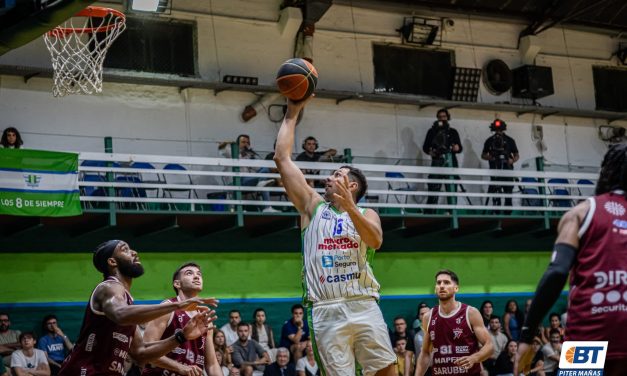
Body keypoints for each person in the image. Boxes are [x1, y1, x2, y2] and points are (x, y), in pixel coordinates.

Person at [273, 96, 396, 376]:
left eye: (336, 174)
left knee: (387, 370)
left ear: (351, 185)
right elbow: (282, 159)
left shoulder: (367, 213)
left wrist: (351, 207)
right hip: (325, 309)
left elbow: (375, 240)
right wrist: (292, 112)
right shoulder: (312, 206)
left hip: (363, 302)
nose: (329, 178)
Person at [514, 143, 627, 376]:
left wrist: (527, 335)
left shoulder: (581, 212)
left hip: (586, 337)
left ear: (606, 171)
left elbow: (557, 272)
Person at [57, 240, 217, 376]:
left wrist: (181, 337)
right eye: (125, 249)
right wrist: (176, 305)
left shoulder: (127, 303)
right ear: (112, 262)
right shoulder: (109, 287)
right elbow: (120, 314)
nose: (133, 252)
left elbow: (140, 352)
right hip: (84, 371)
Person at [142, 262, 222, 376]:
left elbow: (212, 364)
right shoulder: (166, 308)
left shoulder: (205, 317)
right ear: (177, 284)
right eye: (189, 273)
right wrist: (179, 367)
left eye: (199, 274)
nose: (196, 276)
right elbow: (145, 352)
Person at [414, 270, 493, 376]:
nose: (442, 286)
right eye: (439, 283)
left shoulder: (470, 313)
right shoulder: (428, 317)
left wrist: (474, 358)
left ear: (456, 288)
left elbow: (490, 346)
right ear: (435, 289)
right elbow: (425, 352)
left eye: (446, 282)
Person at [219, 134, 279, 213]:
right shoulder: (232, 151)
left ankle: (267, 207)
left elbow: (258, 168)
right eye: (243, 142)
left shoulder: (248, 155)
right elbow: (222, 149)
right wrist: (228, 142)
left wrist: (270, 168)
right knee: (263, 180)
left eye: (247, 142)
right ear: (237, 143)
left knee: (265, 171)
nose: (245, 144)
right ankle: (261, 186)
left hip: (246, 181)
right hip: (235, 181)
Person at [422, 109, 463, 211]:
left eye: (444, 116)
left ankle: (452, 211)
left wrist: (456, 148)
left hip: (451, 160)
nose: (442, 119)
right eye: (440, 117)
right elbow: (425, 147)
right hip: (437, 160)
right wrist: (430, 152)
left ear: (447, 117)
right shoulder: (431, 132)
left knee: (451, 187)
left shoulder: (453, 132)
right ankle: (431, 211)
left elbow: (460, 148)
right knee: (434, 186)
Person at [481, 119, 519, 211]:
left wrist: (512, 160)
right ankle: (496, 212)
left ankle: (508, 213)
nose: (498, 132)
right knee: (496, 194)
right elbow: (483, 155)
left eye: (500, 130)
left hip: (508, 170)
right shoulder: (489, 141)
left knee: (508, 193)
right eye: (496, 130)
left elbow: (517, 154)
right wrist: (491, 158)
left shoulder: (510, 140)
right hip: (495, 170)